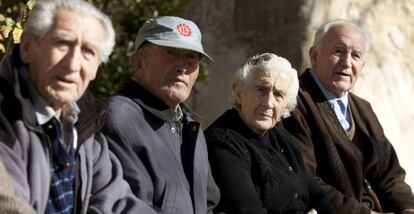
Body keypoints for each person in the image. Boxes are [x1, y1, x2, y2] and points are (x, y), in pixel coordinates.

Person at [0, 0, 157, 213]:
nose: (73, 64)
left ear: (95, 70)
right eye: (62, 43)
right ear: (27, 47)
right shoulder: (6, 118)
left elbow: (117, 202)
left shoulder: (82, 123)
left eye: (88, 52)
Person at [282, 19, 414, 214]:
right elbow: (305, 179)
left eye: (356, 55)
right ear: (314, 55)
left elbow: (391, 175)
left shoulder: (363, 108)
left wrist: (407, 208)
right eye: (338, 51)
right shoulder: (295, 102)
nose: (347, 62)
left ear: (362, 65)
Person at [101, 16, 220, 214]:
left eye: (191, 58)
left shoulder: (190, 126)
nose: (182, 66)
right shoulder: (119, 120)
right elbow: (125, 206)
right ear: (138, 63)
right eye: (171, 53)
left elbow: (210, 204)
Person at [204, 53, 335, 214]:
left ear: (286, 107)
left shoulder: (282, 138)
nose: (268, 103)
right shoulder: (223, 143)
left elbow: (319, 197)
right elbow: (247, 210)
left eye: (278, 95)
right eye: (261, 90)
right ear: (238, 92)